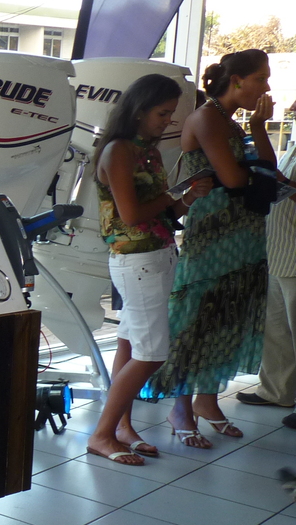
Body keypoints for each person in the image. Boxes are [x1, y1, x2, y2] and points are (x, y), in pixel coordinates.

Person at [146, 49, 277, 447]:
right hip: (214, 236)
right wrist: (259, 177)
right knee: (198, 317)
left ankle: (207, 400)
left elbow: (267, 167)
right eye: (261, 78)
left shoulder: (233, 122)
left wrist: (258, 127)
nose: (266, 86)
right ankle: (181, 407)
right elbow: (235, 180)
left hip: (244, 234)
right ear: (236, 80)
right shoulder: (206, 117)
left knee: (228, 316)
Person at [87, 75, 211, 465]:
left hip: (157, 255)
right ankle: (102, 434)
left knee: (130, 344)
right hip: (136, 260)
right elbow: (132, 215)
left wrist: (188, 197)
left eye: (171, 114)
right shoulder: (118, 151)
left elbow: (165, 214)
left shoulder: (149, 152)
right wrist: (175, 194)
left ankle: (122, 428)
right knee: (152, 353)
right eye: (162, 113)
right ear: (139, 110)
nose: (168, 121)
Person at [238, 104, 296, 424]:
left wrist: (280, 181)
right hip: (279, 251)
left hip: (294, 257)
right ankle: (276, 390)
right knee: (276, 331)